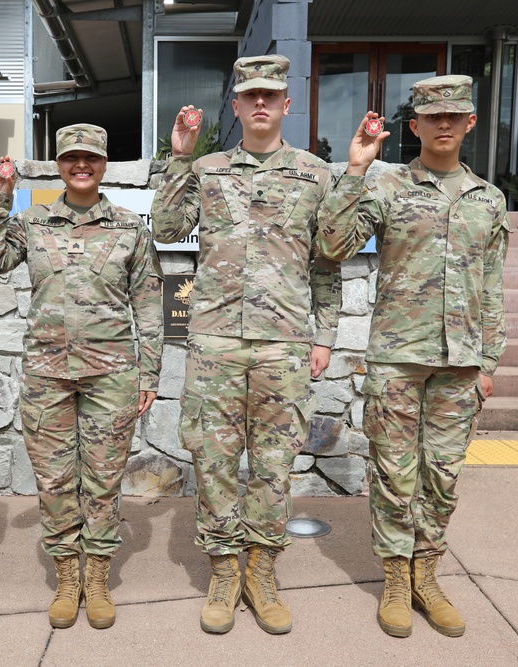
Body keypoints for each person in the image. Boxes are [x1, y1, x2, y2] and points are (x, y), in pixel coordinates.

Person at [151, 55, 353, 635]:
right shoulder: (209, 168)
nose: (260, 103)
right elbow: (166, 230)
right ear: (236, 107)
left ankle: (262, 570)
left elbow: (327, 263)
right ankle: (222, 570)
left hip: (285, 342)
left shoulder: (316, 173)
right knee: (212, 460)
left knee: (274, 462)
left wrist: (327, 334)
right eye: (249, 95)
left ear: (287, 105)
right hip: (215, 338)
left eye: (271, 95)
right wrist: (181, 156)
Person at [321, 75, 510, 638]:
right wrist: (355, 169)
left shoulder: (489, 199)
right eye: (433, 116)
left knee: (443, 477)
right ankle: (396, 581)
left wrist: (490, 362)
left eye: (455, 115)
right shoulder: (389, 187)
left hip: (461, 362)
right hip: (399, 358)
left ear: (470, 122)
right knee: (395, 476)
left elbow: (493, 284)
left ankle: (427, 575)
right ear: (416, 126)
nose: (444, 124)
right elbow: (332, 245)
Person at [0, 124, 163, 630]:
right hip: (48, 377)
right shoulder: (31, 222)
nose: (82, 165)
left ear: (103, 163)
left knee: (102, 480)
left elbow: (147, 300)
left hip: (111, 377)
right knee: (55, 480)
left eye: (91, 158)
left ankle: (96, 576)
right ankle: (66, 578)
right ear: (59, 163)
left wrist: (150, 371)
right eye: (72, 157)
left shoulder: (129, 228)